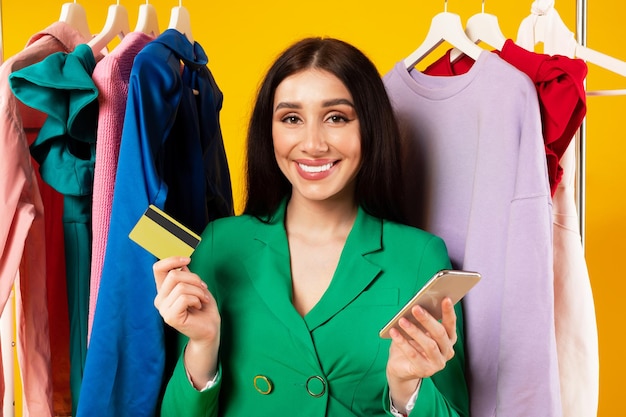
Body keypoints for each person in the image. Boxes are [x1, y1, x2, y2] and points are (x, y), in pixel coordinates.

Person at [153, 37, 469, 417]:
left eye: (336, 117)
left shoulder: (420, 256)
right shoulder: (221, 244)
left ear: (369, 127)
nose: (312, 143)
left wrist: (407, 389)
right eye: (291, 119)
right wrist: (202, 346)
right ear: (268, 131)